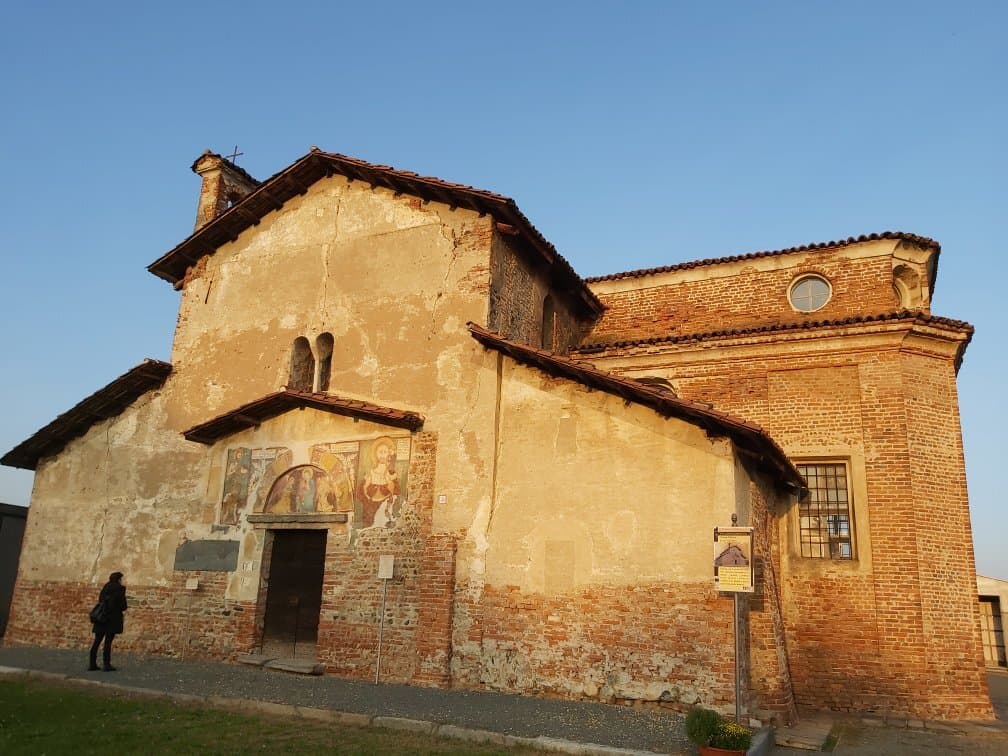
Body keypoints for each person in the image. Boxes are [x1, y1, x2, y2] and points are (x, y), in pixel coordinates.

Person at [89, 571, 127, 671]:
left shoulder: (105, 588)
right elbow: (123, 606)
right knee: (108, 642)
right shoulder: (120, 589)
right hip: (112, 618)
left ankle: (92, 664)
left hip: (101, 617)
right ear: (119, 579)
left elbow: (100, 600)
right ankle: (106, 665)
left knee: (97, 641)